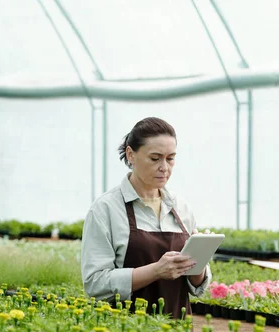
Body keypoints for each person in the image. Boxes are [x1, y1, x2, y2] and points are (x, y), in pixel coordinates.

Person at [80, 117, 212, 318]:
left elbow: (196, 287)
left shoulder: (181, 208)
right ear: (131, 155)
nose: (164, 167)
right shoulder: (105, 210)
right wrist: (156, 271)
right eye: (155, 158)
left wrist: (198, 260)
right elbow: (95, 283)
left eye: (170, 158)